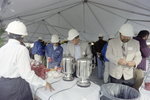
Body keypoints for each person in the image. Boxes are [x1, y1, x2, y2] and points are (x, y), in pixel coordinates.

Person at [0, 21, 54, 100]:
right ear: (23, 37)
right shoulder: (21, 49)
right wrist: (44, 83)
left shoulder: (2, 49)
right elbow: (27, 74)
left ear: (8, 34)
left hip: (3, 87)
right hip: (17, 87)